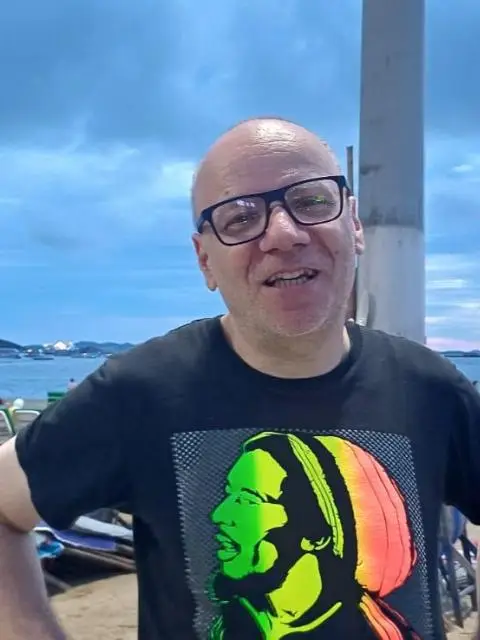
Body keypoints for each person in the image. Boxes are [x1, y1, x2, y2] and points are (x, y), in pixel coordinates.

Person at [0, 117, 479, 639]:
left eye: (312, 201)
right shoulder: (141, 393)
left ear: (355, 224)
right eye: (240, 218)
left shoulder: (431, 390)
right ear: (205, 260)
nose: (284, 234)